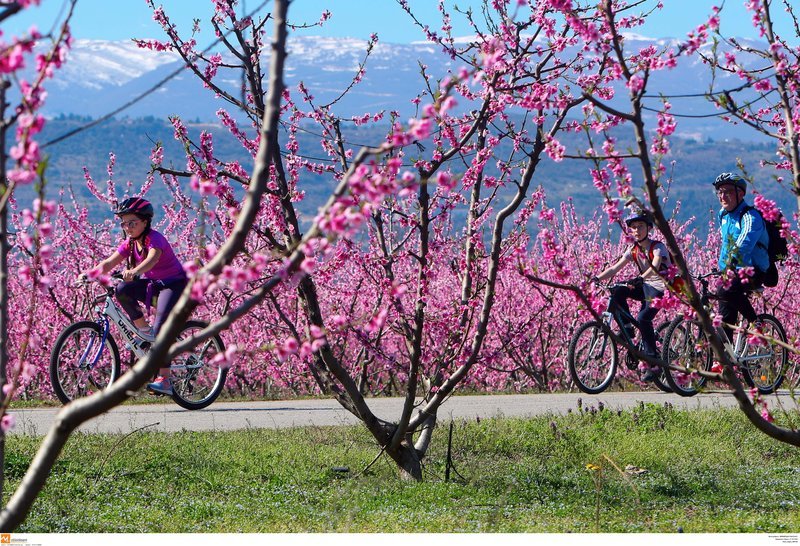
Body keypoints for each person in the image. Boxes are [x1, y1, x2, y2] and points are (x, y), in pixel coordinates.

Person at [81, 197, 188, 395]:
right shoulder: (129, 244)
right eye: (124, 223)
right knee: (122, 289)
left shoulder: (155, 238)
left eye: (132, 223)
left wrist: (136, 271)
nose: (127, 227)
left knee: (162, 327)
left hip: (174, 285)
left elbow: (152, 259)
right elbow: (108, 263)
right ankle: (145, 333)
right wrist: (90, 275)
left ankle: (165, 379)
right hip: (155, 286)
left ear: (145, 222)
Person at [594, 209, 671, 382]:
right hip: (644, 285)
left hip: (659, 287)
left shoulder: (657, 247)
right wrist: (597, 277)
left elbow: (655, 266)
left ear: (649, 228)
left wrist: (640, 278)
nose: (637, 230)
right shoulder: (634, 249)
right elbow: (615, 268)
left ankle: (654, 363)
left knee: (643, 318)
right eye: (634, 227)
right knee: (618, 290)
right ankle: (627, 328)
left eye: (641, 226)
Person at [712, 172, 769, 340]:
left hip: (753, 270)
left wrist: (731, 261)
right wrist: (723, 267)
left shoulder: (750, 216)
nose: (723, 196)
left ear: (740, 193)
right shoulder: (723, 214)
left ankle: (756, 323)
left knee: (726, 289)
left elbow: (744, 242)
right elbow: (726, 244)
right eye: (720, 192)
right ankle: (725, 361)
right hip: (731, 270)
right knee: (723, 315)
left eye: (728, 191)